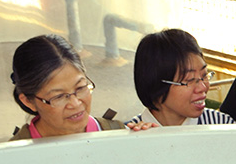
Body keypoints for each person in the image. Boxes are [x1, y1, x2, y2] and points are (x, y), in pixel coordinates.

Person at [9, 34, 147, 140]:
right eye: (58, 96)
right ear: (28, 101)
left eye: (80, 88)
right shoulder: (11, 156)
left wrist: (147, 143)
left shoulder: (117, 134)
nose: (75, 103)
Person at [128, 29, 235, 126]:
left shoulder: (221, 124)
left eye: (204, 75)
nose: (203, 87)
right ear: (156, 85)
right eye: (189, 80)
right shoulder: (125, 137)